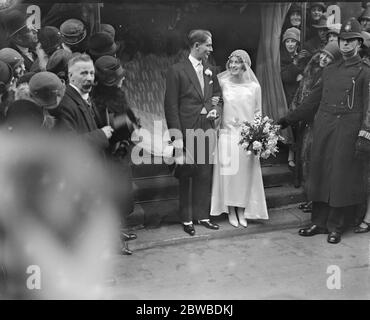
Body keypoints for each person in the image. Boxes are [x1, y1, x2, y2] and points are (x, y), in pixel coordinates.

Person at [278, 18, 370, 244]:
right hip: (325, 127)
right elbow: (311, 101)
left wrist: (364, 135)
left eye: (350, 41)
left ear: (359, 43)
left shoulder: (365, 72)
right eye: (342, 41)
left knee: (340, 178)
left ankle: (336, 226)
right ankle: (318, 222)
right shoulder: (329, 70)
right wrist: (285, 120)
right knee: (319, 175)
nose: (345, 45)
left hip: (348, 129)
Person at [164, 29, 222, 236]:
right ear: (196, 46)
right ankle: (187, 219)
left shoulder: (211, 70)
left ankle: (203, 216)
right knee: (187, 175)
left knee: (205, 173)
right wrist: (176, 138)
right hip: (186, 132)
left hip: (206, 132)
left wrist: (216, 110)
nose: (211, 49)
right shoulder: (177, 70)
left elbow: (217, 96)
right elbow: (170, 106)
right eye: (208, 45)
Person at [210, 49, 268, 227]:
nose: (233, 66)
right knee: (229, 174)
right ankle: (230, 210)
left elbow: (257, 112)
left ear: (245, 65)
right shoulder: (223, 83)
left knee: (244, 175)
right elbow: (218, 107)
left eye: (237, 62)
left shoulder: (254, 87)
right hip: (227, 135)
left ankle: (242, 209)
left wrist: (258, 135)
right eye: (231, 62)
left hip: (246, 138)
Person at [92, 55, 139, 254]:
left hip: (121, 154)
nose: (123, 79)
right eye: (119, 77)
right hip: (109, 157)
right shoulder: (98, 101)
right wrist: (127, 125)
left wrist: (133, 124)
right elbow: (104, 126)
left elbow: (126, 115)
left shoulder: (117, 95)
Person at [291, 42, 341, 213]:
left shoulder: (331, 75)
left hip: (318, 122)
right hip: (305, 121)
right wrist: (295, 112)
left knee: (314, 161)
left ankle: (315, 200)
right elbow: (301, 92)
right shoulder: (311, 69)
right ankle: (310, 197)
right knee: (305, 160)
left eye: (329, 57)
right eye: (323, 54)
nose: (324, 59)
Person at [54, 53, 113, 154]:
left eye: (92, 73)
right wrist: (101, 135)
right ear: (71, 75)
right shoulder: (64, 104)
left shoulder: (88, 96)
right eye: (84, 73)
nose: (89, 78)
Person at [280, 27, 305, 169]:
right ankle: (290, 154)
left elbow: (306, 73)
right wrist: (295, 66)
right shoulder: (282, 58)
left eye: (293, 41)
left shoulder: (303, 56)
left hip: (300, 93)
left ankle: (296, 155)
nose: (290, 44)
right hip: (287, 94)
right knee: (290, 123)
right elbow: (285, 77)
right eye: (287, 41)